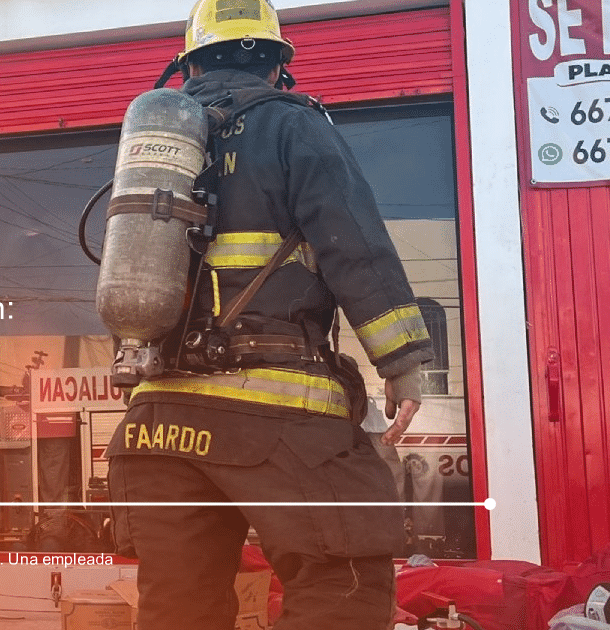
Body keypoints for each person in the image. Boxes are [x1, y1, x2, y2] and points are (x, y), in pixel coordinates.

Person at [104, 1, 435, 629]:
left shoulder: (157, 146)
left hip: (155, 423)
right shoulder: (293, 125)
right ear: (278, 64)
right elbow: (355, 244)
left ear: (190, 61)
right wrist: (403, 361)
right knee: (345, 578)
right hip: (276, 411)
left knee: (180, 607)